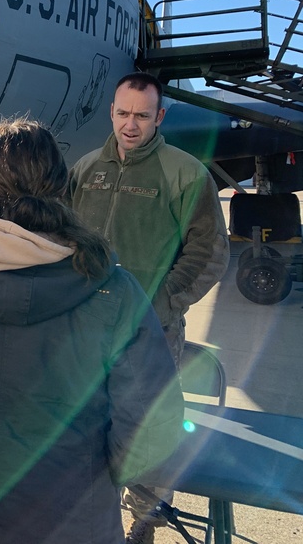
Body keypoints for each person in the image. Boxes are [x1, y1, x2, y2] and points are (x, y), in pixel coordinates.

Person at [0, 119, 184, 544]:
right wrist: (97, 478)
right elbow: (152, 424)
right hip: (68, 514)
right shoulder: (111, 288)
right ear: (61, 183)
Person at [69, 72, 230, 543]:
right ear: (111, 113)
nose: (130, 124)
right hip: (86, 332)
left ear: (159, 116)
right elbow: (62, 240)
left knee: (148, 437)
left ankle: (143, 522)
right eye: (122, 113)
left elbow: (209, 253)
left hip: (152, 333)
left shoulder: (184, 172)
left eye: (142, 115)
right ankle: (94, 521)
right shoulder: (84, 169)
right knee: (87, 431)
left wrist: (162, 302)